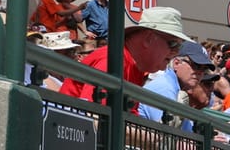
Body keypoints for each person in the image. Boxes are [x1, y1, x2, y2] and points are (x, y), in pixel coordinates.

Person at [59, 6, 191, 110]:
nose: (176, 52)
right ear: (148, 38)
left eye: (179, 46)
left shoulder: (135, 67)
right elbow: (93, 118)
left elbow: (128, 118)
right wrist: (154, 140)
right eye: (173, 44)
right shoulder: (112, 61)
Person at [139, 40, 214, 131]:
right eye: (196, 66)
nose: (200, 73)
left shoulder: (177, 89)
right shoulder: (166, 87)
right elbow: (166, 137)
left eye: (204, 69)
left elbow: (185, 134)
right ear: (176, 63)